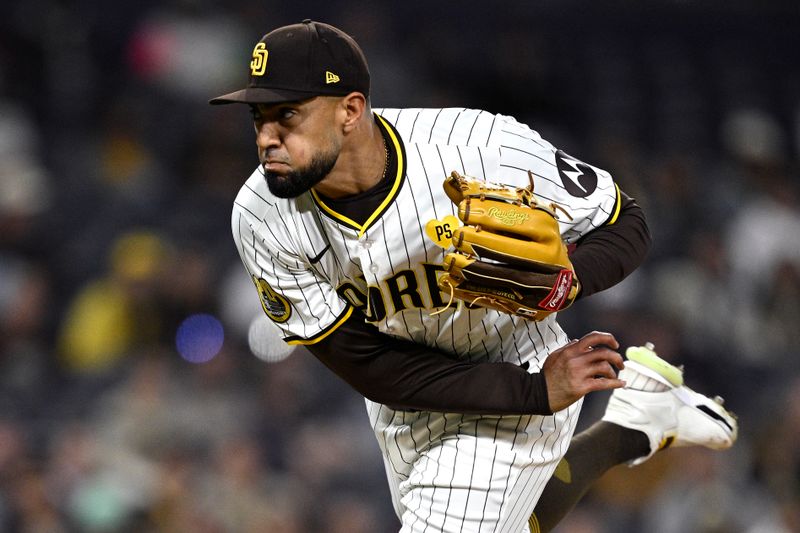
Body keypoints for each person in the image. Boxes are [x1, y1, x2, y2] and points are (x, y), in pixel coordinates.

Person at [210, 20, 737, 533]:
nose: (266, 138)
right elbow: (368, 366)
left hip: (517, 356)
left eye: (288, 116)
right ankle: (631, 426)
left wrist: (567, 284)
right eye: (259, 117)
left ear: (350, 110)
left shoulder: (475, 144)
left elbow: (626, 222)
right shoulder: (260, 216)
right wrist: (530, 392)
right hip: (410, 399)